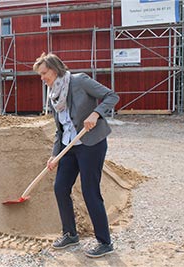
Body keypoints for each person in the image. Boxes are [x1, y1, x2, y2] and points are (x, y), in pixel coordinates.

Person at [33, 53, 119, 258]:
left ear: (54, 70)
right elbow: (60, 128)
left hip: (91, 144)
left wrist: (96, 113)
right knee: (60, 187)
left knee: (90, 191)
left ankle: (104, 242)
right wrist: (55, 155)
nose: (42, 78)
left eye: (44, 73)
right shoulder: (53, 93)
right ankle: (70, 233)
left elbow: (111, 96)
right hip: (69, 146)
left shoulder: (79, 81)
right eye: (40, 75)